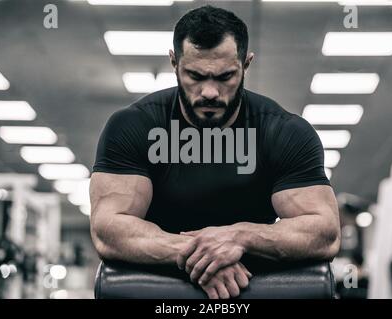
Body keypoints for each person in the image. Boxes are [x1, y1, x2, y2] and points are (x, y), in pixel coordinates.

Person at [90, 5, 340, 299]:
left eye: (224, 77)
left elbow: (324, 231)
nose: (209, 91)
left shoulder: (283, 132)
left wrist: (240, 236)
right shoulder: (134, 126)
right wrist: (201, 255)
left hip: (247, 288)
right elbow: (108, 229)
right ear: (174, 63)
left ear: (246, 64)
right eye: (195, 75)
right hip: (158, 290)